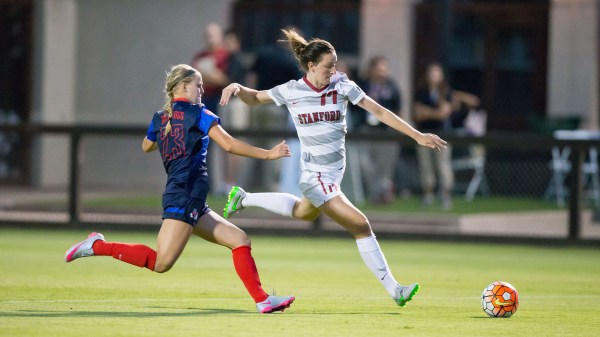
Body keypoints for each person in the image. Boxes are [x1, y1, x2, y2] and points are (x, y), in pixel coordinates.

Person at [219, 29, 447, 307]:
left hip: (332, 175)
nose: (333, 70)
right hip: (315, 176)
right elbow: (255, 98)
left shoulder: (342, 85)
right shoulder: (292, 90)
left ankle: (244, 198)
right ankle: (395, 289)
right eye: (328, 66)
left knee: (302, 212)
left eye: (335, 64)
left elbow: (380, 111)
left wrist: (417, 135)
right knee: (362, 225)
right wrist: (239, 88)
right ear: (312, 66)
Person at [64, 64, 294, 314]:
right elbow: (228, 144)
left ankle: (262, 299)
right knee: (161, 262)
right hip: (184, 195)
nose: (202, 89)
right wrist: (268, 154)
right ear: (184, 86)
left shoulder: (161, 117)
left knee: (239, 240)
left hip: (192, 198)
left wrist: (171, 135)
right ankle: (97, 246)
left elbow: (146, 146)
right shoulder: (198, 113)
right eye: (199, 85)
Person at [353, 56, 403, 204]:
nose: (382, 71)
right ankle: (376, 192)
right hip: (365, 129)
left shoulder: (391, 86)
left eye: (385, 68)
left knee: (385, 165)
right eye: (379, 67)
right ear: (372, 69)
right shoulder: (362, 85)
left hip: (386, 131)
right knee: (365, 163)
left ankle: (383, 194)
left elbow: (398, 109)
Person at [413, 62, 455, 210]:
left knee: (443, 165)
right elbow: (417, 114)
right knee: (426, 166)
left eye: (437, 73)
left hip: (443, 134)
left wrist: (427, 112)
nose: (434, 76)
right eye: (431, 73)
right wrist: (434, 113)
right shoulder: (421, 92)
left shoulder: (446, 92)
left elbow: (444, 113)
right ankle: (428, 195)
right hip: (423, 134)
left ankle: (445, 195)